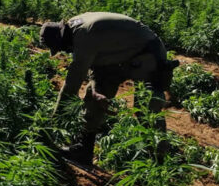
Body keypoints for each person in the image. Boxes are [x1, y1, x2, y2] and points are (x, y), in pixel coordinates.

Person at [40, 12, 178, 164]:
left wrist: (54, 121)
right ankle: (84, 149)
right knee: (93, 95)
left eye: (63, 49)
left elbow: (73, 82)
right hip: (119, 57)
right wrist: (96, 91)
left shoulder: (84, 35)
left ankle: (159, 163)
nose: (67, 52)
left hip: (147, 54)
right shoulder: (73, 27)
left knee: (147, 108)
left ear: (62, 40)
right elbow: (97, 62)